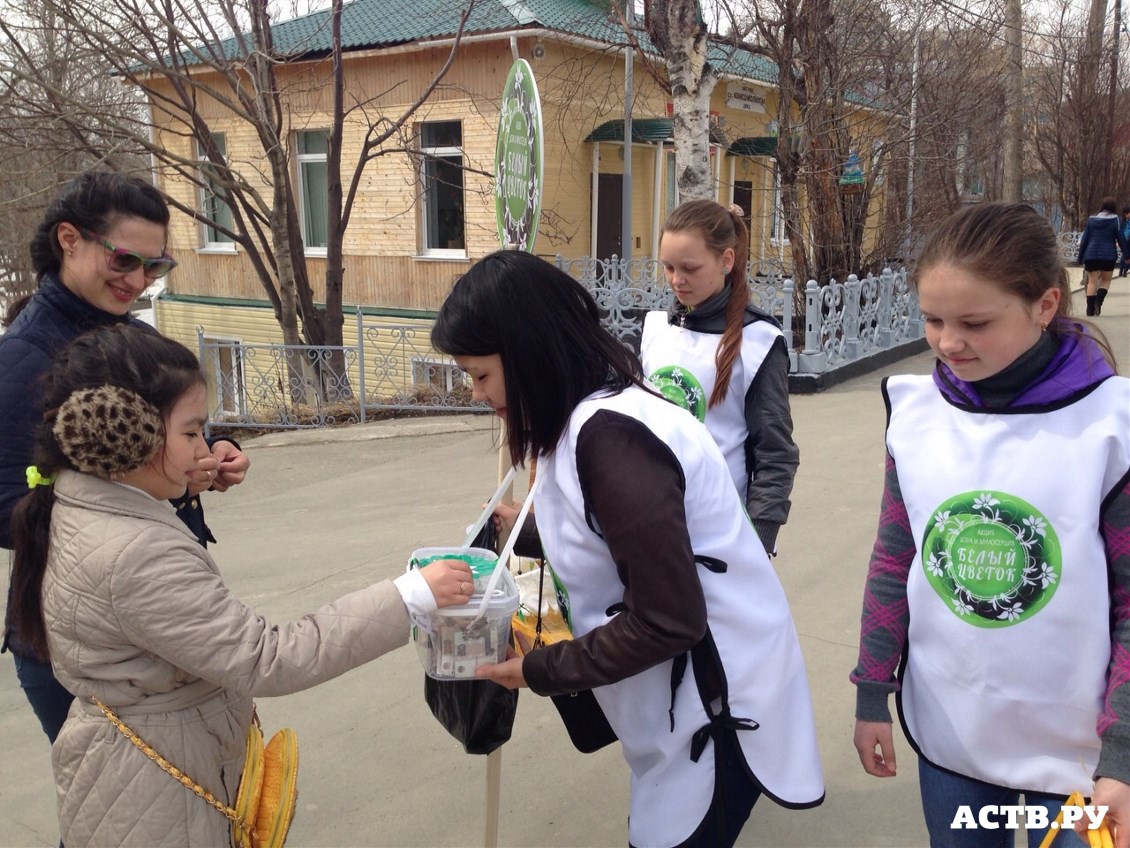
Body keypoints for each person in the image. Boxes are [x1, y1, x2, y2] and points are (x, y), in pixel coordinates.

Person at [6, 323, 475, 846]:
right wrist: (410, 595)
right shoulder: (136, 554)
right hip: (158, 804)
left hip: (134, 769)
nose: (202, 446)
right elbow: (266, 658)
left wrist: (178, 476)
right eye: (189, 433)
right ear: (129, 435)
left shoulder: (80, 500)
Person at [431, 250, 824, 848]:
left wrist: (538, 670)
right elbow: (610, 535)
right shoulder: (583, 419)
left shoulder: (612, 440)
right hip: (671, 705)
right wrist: (522, 531)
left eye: (482, 375)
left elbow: (669, 619)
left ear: (530, 353)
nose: (478, 394)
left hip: (716, 711)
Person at [850, 202, 1130, 848]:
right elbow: (895, 562)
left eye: (975, 322)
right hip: (956, 743)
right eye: (933, 319)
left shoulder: (1108, 427)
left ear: (1045, 304)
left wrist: (1121, 755)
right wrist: (872, 690)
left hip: (1081, 763)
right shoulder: (917, 417)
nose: (949, 342)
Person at [0, 171, 254, 756]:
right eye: (123, 261)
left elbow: (163, 442)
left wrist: (211, 455)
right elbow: (3, 506)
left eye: (155, 267)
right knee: (115, 815)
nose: (138, 281)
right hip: (75, 643)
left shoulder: (130, 338)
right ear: (70, 240)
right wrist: (131, 493)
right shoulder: (25, 357)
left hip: (152, 618)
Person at [640, 199, 798, 556]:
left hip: (723, 536)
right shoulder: (654, 329)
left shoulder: (758, 341)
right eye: (668, 267)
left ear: (726, 260)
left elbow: (775, 453)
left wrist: (759, 542)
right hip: (651, 522)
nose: (677, 280)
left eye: (690, 268)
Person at [1077, 196, 1129, 315]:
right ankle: (1098, 303)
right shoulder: (1116, 220)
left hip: (1091, 255)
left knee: (1092, 282)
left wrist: (1080, 257)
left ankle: (1089, 309)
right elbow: (1121, 239)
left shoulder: (1091, 220)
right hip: (1108, 256)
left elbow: (1084, 239)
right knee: (1105, 281)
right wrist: (1127, 255)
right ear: (1113, 208)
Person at [1120, 206, 1130, 278]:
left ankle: (1125, 270)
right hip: (1124, 240)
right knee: (1124, 255)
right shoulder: (1122, 221)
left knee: (1127, 256)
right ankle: (1121, 270)